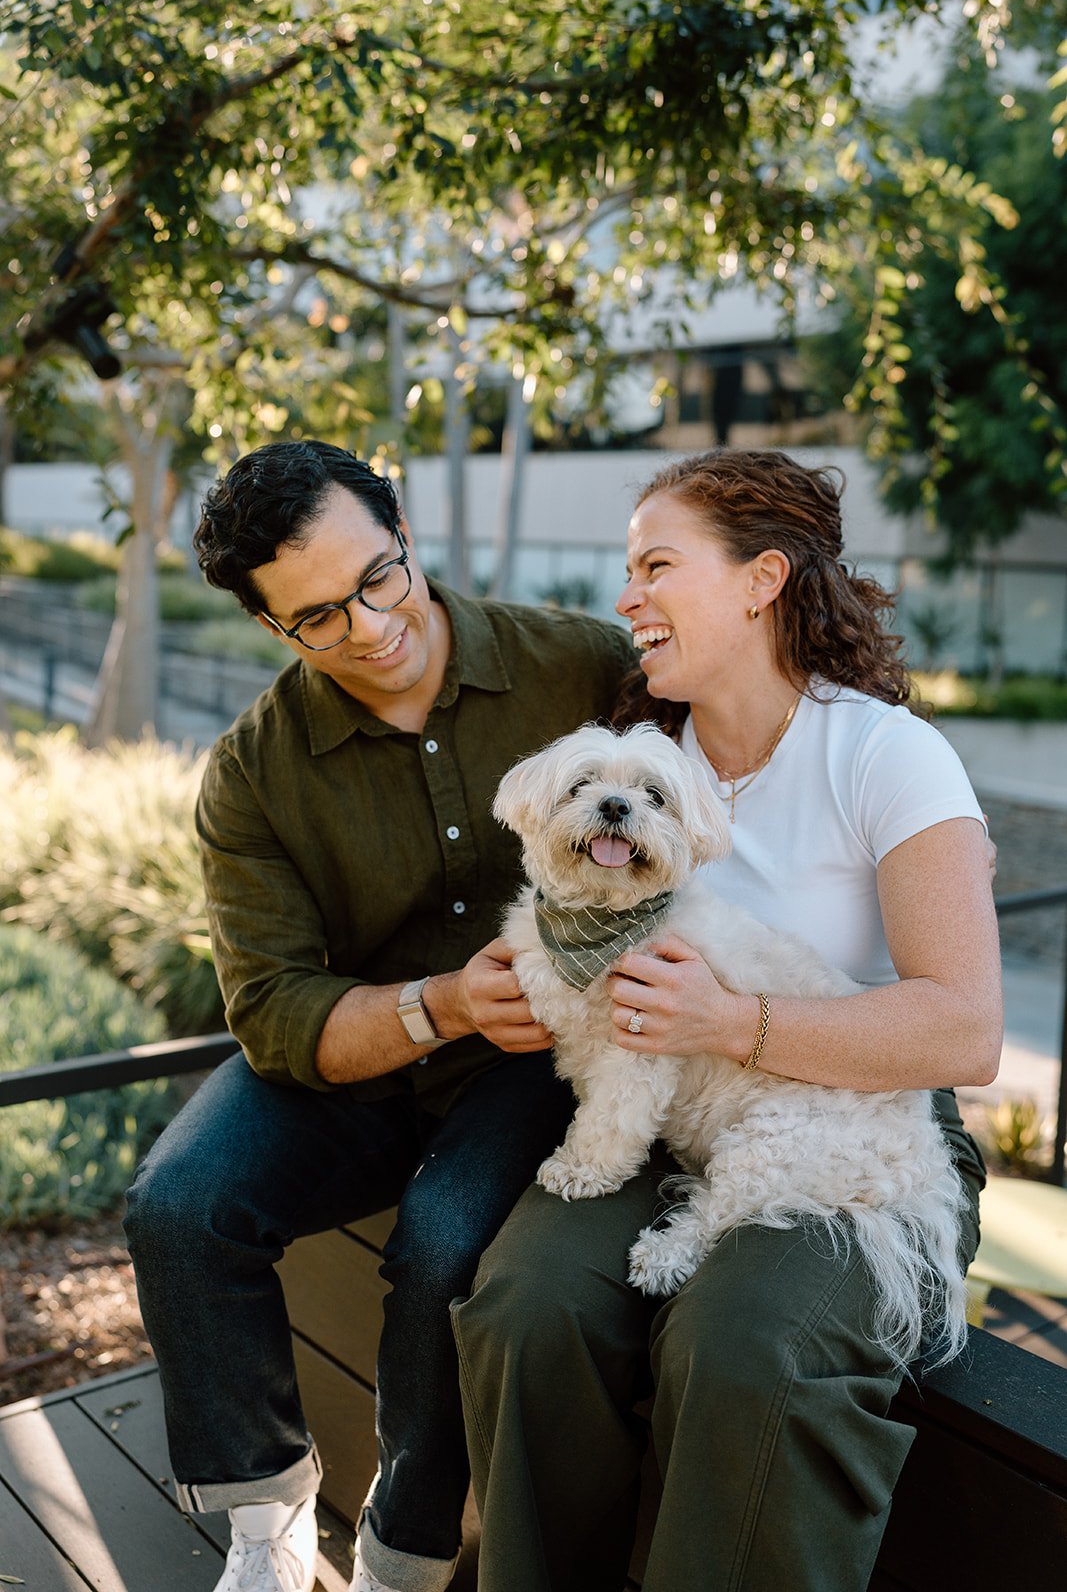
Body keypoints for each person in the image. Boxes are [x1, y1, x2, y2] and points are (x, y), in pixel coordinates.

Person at [450, 448, 1002, 1592]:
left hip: (861, 1131)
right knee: (524, 1306)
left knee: (745, 1349)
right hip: (662, 1119)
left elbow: (964, 1030)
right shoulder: (644, 761)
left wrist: (731, 1020)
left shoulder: (889, 756)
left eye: (655, 566)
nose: (625, 599)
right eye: (625, 571)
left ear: (759, 580)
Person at [122, 439, 635, 1592]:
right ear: (272, 626)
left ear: (403, 537)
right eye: (314, 617)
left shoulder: (583, 665)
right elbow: (269, 1010)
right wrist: (439, 1002)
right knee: (177, 1209)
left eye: (377, 577)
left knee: (445, 1248)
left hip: (532, 1062)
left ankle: (399, 1554)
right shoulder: (251, 770)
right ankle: (266, 1518)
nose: (364, 627)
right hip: (360, 1050)